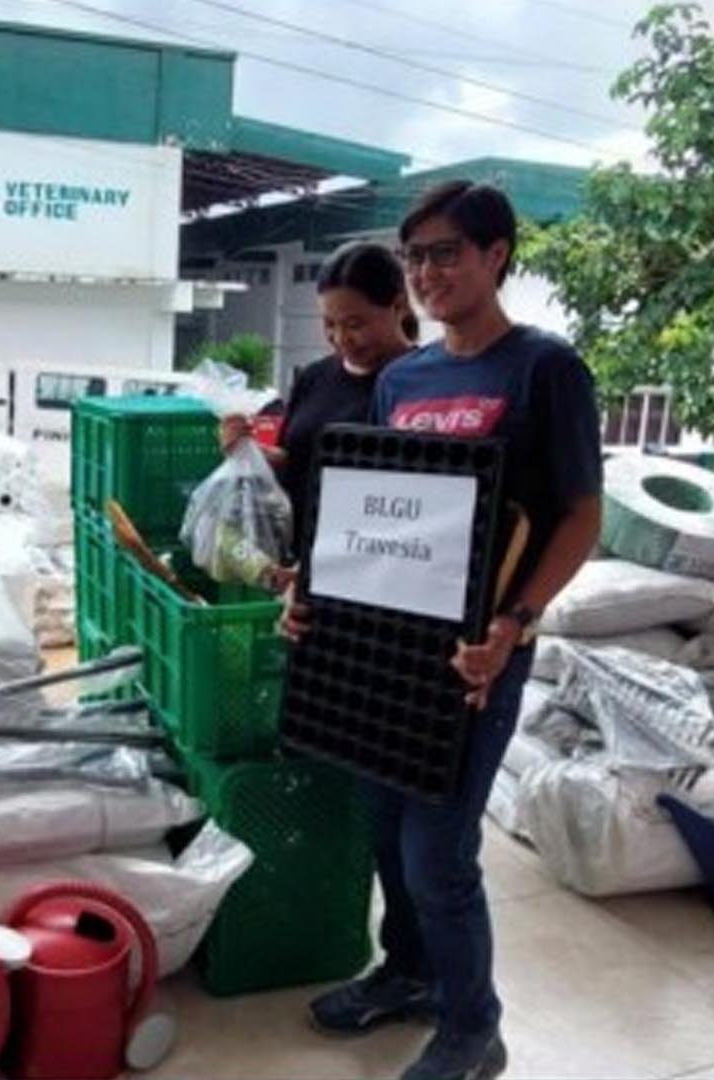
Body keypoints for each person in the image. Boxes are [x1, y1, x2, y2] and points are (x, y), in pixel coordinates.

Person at [285, 181, 603, 1080]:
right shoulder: (404, 379)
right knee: (387, 832)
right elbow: (377, 505)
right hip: (390, 651)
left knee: (439, 854)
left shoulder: (544, 369)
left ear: (496, 255)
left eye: (446, 253)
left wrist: (515, 623)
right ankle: (411, 974)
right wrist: (311, 591)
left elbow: (582, 515)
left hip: (478, 658)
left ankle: (474, 1028)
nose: (427, 273)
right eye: (415, 257)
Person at [220, 241, 420, 525]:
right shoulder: (313, 378)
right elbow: (295, 465)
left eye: (355, 325)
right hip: (303, 547)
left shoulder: (422, 384)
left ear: (398, 306)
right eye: (329, 324)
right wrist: (250, 452)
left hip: (375, 544)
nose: (341, 338)